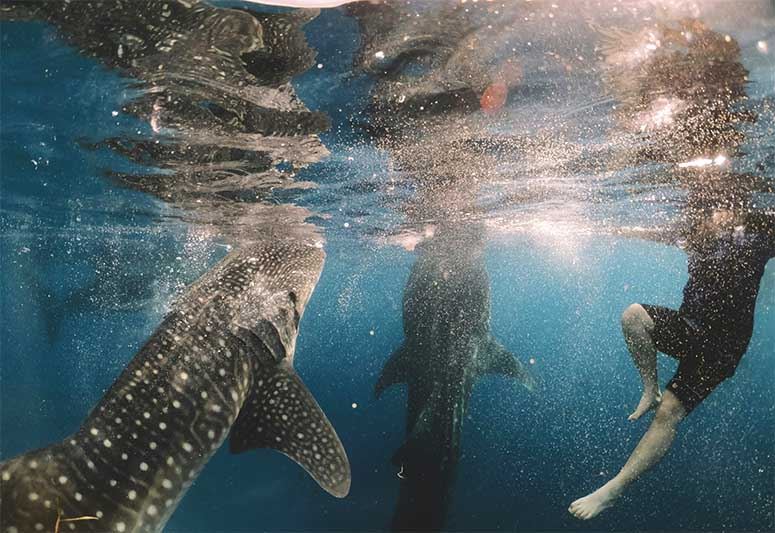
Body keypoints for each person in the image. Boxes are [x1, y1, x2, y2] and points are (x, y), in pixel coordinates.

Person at [569, 195, 775, 520]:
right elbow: (641, 228)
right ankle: (649, 389)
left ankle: (614, 488)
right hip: (689, 326)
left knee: (669, 412)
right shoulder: (693, 228)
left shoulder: (760, 230)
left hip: (722, 346)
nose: (710, 218)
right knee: (633, 316)